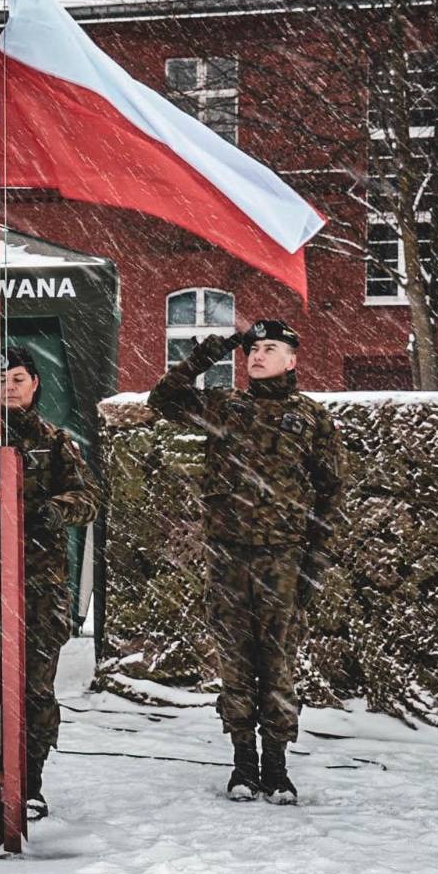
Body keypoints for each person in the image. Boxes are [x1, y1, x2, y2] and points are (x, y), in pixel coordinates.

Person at [148, 319, 344, 804]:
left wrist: (315, 563)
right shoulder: (225, 407)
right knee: (235, 664)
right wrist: (209, 353)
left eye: (270, 348)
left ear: (292, 360)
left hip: (283, 557)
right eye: (252, 349)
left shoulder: (312, 417)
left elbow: (331, 493)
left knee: (278, 664)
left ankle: (276, 767)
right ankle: (243, 766)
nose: (257, 356)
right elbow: (164, 400)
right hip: (229, 557)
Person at [0, 346, 97, 821]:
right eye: (2, 379)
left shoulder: (57, 441)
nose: (10, 387)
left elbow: (89, 498)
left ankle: (30, 781)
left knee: (34, 690)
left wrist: (53, 510)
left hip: (40, 586)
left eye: (19, 379)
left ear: (36, 384)